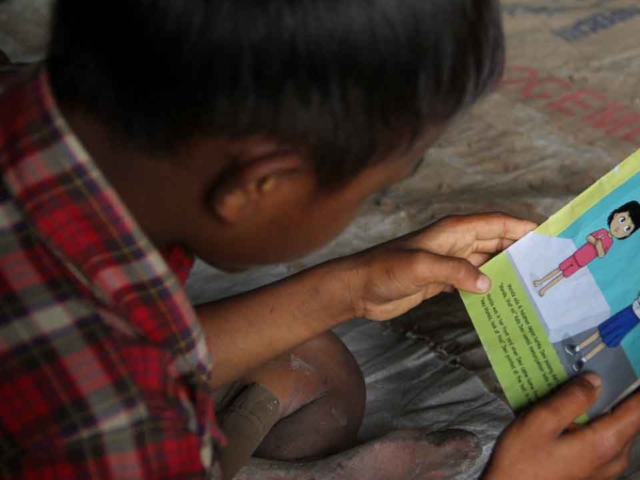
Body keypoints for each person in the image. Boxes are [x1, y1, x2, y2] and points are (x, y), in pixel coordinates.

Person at [2, 1, 640, 479]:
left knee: (315, 361)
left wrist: (350, 289)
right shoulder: (120, 422)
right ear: (261, 185)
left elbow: (151, 342)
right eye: (374, 187)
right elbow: (119, 376)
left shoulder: (39, 106)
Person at [533, 201, 640, 297]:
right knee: (559, 269)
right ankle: (541, 281)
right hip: (576, 255)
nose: (620, 228)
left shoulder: (610, 242)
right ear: (616, 215)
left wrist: (599, 246)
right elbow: (589, 237)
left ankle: (544, 289)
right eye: (622, 220)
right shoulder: (602, 231)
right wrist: (595, 242)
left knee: (562, 275)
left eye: (627, 228)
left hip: (581, 263)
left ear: (629, 233)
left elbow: (602, 254)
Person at [566, 292, 640, 372]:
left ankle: (583, 360)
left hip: (631, 321)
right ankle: (576, 348)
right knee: (601, 331)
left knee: (607, 340)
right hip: (626, 313)